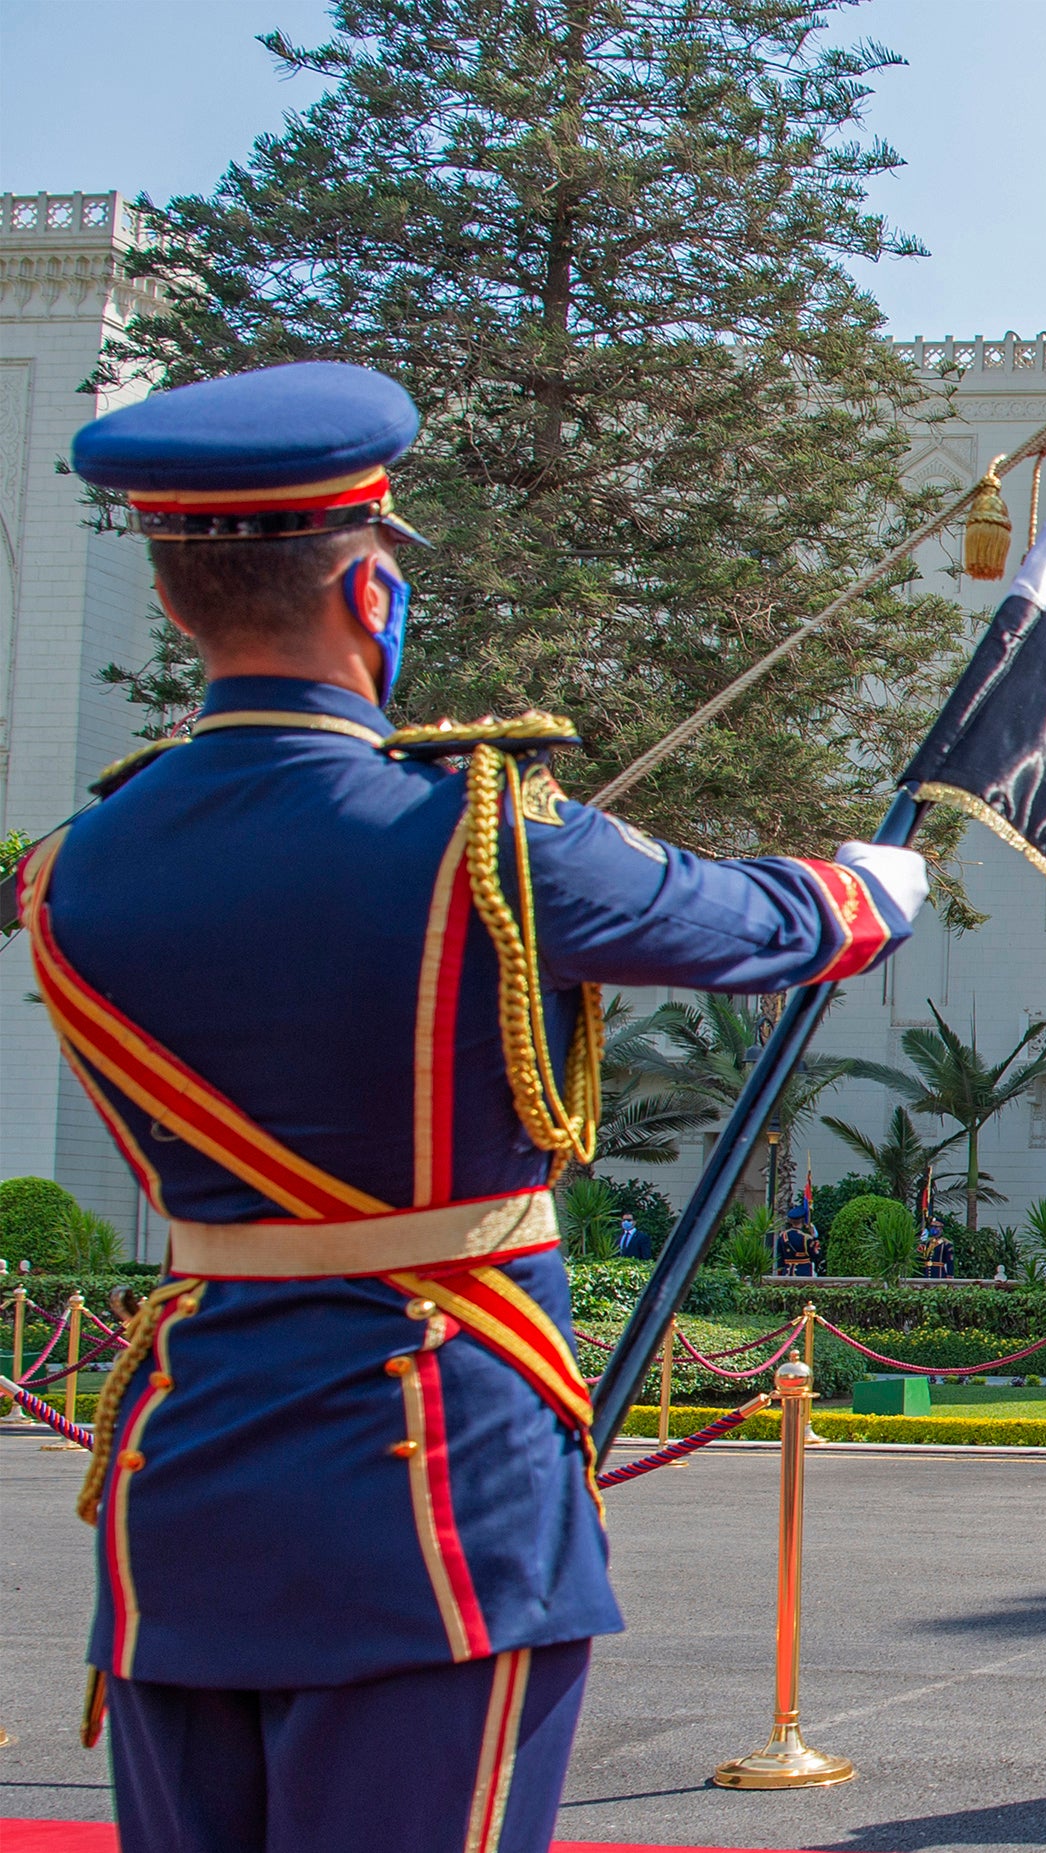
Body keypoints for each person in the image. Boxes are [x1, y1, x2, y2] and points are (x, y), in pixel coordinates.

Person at [41, 361, 927, 1853]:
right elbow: (772, 924)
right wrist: (879, 882)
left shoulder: (72, 871)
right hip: (428, 1481)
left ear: (180, 597)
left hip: (182, 1488)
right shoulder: (482, 844)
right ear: (371, 595)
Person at [777, 1201, 820, 1276]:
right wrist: (814, 1237)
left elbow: (779, 1258)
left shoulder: (783, 1236)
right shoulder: (806, 1238)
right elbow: (816, 1254)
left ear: (790, 1221)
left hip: (787, 1272)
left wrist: (780, 1273)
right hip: (804, 1272)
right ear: (803, 1220)